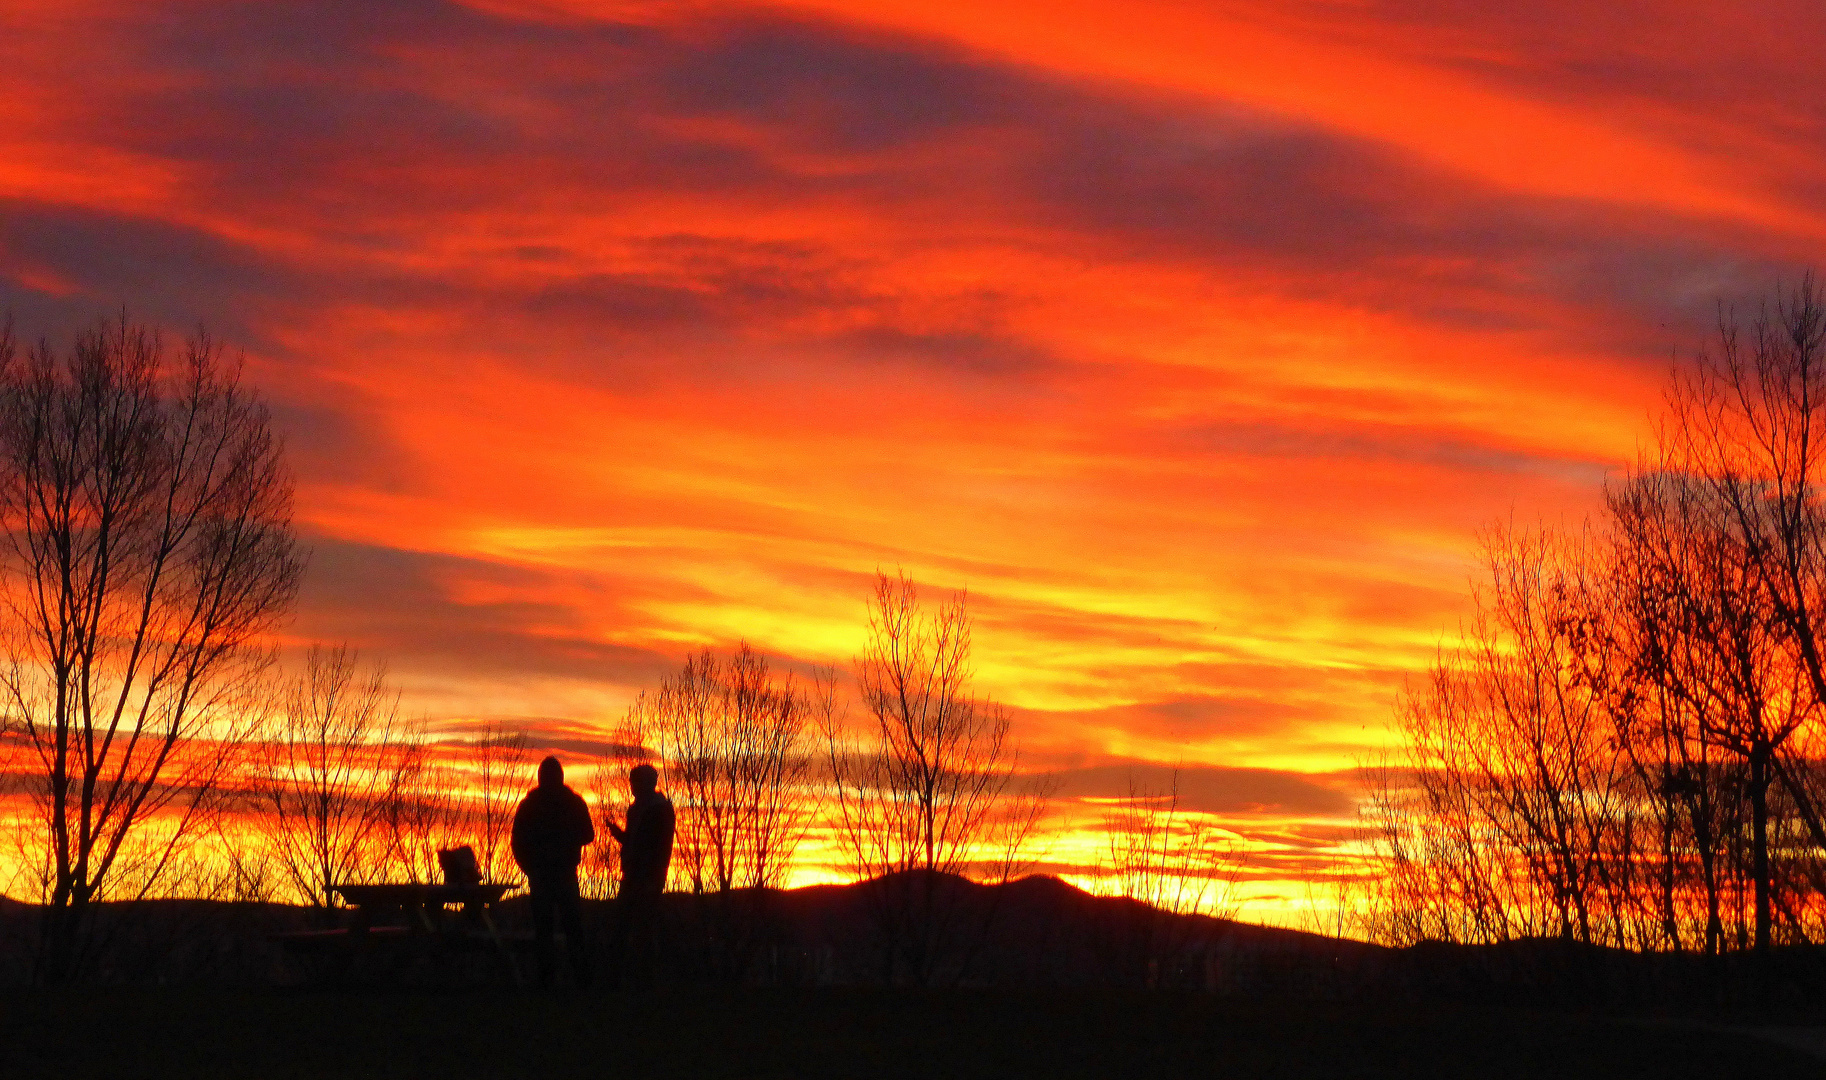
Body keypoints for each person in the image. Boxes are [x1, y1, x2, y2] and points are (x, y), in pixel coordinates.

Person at [511, 755, 595, 988]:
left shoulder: (537, 804)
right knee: (564, 929)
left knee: (553, 929)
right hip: (551, 874)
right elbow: (518, 841)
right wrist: (530, 867)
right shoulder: (569, 802)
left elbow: (588, 834)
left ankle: (558, 980)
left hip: (555, 874)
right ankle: (574, 979)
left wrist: (531, 866)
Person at [605, 762, 675, 987]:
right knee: (630, 926)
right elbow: (637, 841)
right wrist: (619, 835)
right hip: (636, 874)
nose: (632, 787)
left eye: (634, 783)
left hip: (646, 876)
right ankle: (633, 977)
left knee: (639, 928)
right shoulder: (641, 808)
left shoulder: (656, 809)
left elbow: (651, 845)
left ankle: (640, 978)